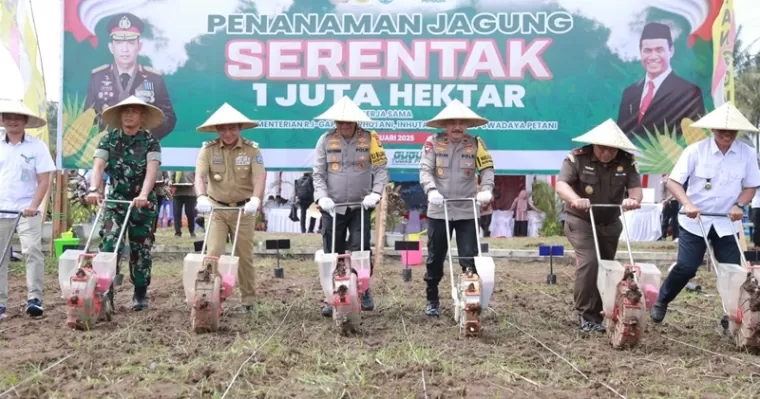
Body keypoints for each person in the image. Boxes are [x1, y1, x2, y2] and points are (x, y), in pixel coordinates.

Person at [650, 102, 760, 324]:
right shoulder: (695, 151)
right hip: (694, 221)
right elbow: (673, 182)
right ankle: (662, 300)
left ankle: (731, 315)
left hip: (726, 222)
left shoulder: (747, 154)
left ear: (737, 132)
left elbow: (751, 186)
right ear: (712, 130)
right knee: (687, 267)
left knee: (733, 272)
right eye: (722, 130)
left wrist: (739, 204)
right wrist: (687, 203)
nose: (726, 134)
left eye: (731, 131)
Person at [554, 119, 643, 332]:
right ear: (594, 144)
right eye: (603, 148)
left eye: (612, 149)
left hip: (610, 223)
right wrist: (575, 198)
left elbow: (635, 188)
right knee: (590, 262)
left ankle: (607, 309)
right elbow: (561, 184)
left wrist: (633, 200)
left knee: (608, 267)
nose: (607, 153)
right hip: (581, 220)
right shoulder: (577, 158)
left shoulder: (626, 161)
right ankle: (586, 314)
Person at [312, 96, 388, 317]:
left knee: (360, 249)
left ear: (356, 121)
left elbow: (381, 168)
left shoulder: (370, 138)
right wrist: (321, 197)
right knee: (331, 251)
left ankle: (363, 290)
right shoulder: (325, 140)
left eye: (348, 121)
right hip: (332, 206)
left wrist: (376, 193)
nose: (344, 125)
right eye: (339, 122)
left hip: (360, 205)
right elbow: (318, 174)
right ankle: (331, 295)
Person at [85, 96, 163, 311]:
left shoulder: (151, 141)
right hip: (116, 201)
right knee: (109, 244)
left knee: (141, 247)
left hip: (142, 202)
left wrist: (144, 194)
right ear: (119, 115)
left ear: (142, 116)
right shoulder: (108, 139)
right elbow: (99, 166)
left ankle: (140, 292)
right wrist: (94, 189)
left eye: (134, 111)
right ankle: (105, 290)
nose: (129, 115)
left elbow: (152, 170)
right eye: (125, 111)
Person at [419, 99, 495, 317]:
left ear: (467, 125)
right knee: (435, 258)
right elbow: (425, 170)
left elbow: (488, 169)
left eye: (462, 123)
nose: (457, 127)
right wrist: (431, 190)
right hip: (438, 209)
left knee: (469, 259)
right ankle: (432, 300)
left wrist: (487, 189)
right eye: (453, 122)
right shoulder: (432, 143)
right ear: (445, 125)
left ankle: (469, 299)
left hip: (467, 210)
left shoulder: (476, 144)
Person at [194, 103, 265, 314]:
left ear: (239, 128)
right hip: (216, 209)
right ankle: (209, 298)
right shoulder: (208, 149)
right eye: (223, 129)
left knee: (244, 255)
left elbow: (259, 176)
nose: (228, 133)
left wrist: (255, 199)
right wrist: (201, 196)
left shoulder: (252, 149)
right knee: (213, 253)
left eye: (232, 128)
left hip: (244, 210)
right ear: (217, 130)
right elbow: (199, 176)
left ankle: (249, 301)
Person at [0, 99, 56, 320]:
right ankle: (1, 302)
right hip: (1, 209)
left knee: (32, 250)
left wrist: (34, 206)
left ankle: (35, 299)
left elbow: (44, 179)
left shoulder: (36, 146)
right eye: (8, 117)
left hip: (27, 210)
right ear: (3, 120)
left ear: (25, 121)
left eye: (17, 117)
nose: (12, 121)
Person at [85, 13, 176, 141]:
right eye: (119, 43)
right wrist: (107, 137)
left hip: (142, 151)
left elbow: (169, 117)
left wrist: (147, 136)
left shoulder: (154, 79)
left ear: (139, 46)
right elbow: (88, 116)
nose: (125, 49)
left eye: (131, 42)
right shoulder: (98, 78)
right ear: (111, 47)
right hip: (109, 150)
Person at [617, 22, 705, 142]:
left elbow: (696, 139)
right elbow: (621, 135)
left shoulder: (689, 93)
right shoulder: (629, 93)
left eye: (659, 50)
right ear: (640, 52)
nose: (653, 57)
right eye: (647, 50)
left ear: (671, 50)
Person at [170, 171, 197, 238]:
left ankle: (192, 232)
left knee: (190, 214)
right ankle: (177, 233)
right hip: (177, 194)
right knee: (177, 213)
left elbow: (198, 178)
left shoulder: (192, 166)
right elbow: (171, 179)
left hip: (190, 194)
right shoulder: (176, 167)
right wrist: (170, 182)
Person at [660, 173, 680, 240]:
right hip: (666, 202)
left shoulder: (673, 180)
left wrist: (667, 200)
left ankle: (675, 236)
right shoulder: (663, 181)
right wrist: (663, 200)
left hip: (673, 201)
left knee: (675, 220)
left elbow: (675, 192)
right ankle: (663, 235)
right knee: (665, 219)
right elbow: (662, 192)